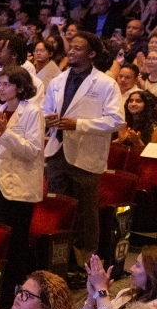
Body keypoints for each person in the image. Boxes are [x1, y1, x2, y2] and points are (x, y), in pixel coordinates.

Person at [43, 32, 122, 273]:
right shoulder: (58, 80)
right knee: (59, 210)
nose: (72, 51)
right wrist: (49, 119)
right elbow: (45, 109)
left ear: (92, 54)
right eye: (71, 47)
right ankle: (59, 261)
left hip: (85, 155)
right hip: (57, 151)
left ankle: (86, 265)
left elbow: (116, 120)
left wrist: (78, 124)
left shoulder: (106, 83)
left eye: (78, 49)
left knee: (86, 213)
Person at [0, 66, 45, 308]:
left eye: (6, 84)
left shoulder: (32, 112)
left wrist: (5, 133)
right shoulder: (0, 110)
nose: (2, 89)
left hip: (19, 186)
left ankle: (17, 295)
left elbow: (33, 150)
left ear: (20, 87)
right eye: (0, 84)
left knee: (16, 241)